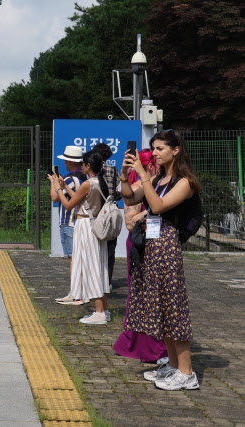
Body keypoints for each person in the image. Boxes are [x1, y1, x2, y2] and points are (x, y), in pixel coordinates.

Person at [120, 130, 201, 390]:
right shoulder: (158, 178)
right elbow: (130, 198)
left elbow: (157, 207)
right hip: (152, 247)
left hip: (167, 246)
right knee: (161, 308)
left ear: (175, 150)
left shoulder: (184, 181)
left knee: (174, 308)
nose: (154, 153)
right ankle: (174, 365)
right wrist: (125, 175)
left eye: (160, 148)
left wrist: (143, 175)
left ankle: (187, 372)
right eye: (153, 148)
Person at [112, 148, 168, 362]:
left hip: (157, 243)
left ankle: (152, 341)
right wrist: (155, 209)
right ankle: (140, 342)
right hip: (140, 245)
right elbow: (129, 223)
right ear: (151, 166)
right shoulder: (138, 187)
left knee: (155, 295)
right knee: (142, 294)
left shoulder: (162, 185)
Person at [54, 149, 110, 324]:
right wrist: (65, 188)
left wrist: (57, 188)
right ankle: (104, 310)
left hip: (86, 226)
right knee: (99, 266)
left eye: (84, 164)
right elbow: (81, 200)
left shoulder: (87, 183)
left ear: (88, 165)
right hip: (94, 224)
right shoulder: (98, 181)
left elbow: (69, 205)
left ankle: (99, 312)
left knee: (91, 266)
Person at [47, 145, 87, 305]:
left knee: (72, 258)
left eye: (65, 160)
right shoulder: (83, 178)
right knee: (79, 258)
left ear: (70, 162)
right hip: (79, 221)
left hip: (69, 221)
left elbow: (55, 198)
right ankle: (81, 291)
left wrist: (53, 182)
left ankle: (75, 293)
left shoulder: (70, 179)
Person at [93, 142, 122, 288]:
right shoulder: (113, 170)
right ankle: (107, 281)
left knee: (94, 248)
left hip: (94, 213)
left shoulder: (91, 170)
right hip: (109, 213)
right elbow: (120, 191)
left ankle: (94, 279)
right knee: (110, 248)